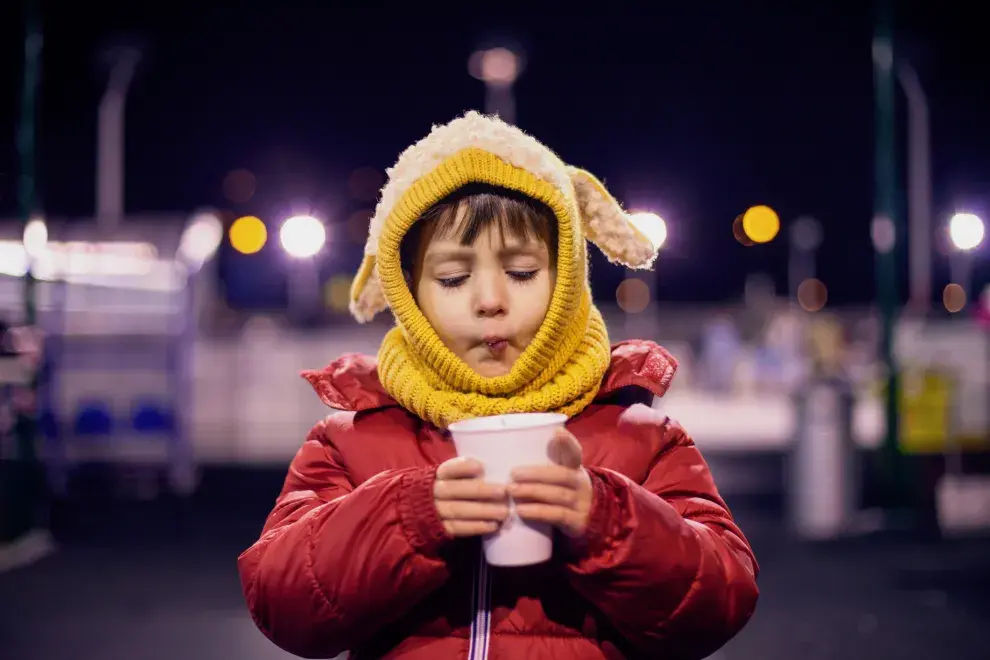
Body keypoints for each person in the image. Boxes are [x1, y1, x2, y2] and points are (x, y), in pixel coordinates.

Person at [238, 112, 759, 659]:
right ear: (407, 291)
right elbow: (282, 600)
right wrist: (408, 518)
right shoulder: (348, 439)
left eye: (522, 271)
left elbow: (721, 598)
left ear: (568, 277)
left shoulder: (644, 436)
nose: (490, 299)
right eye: (453, 278)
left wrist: (606, 520)